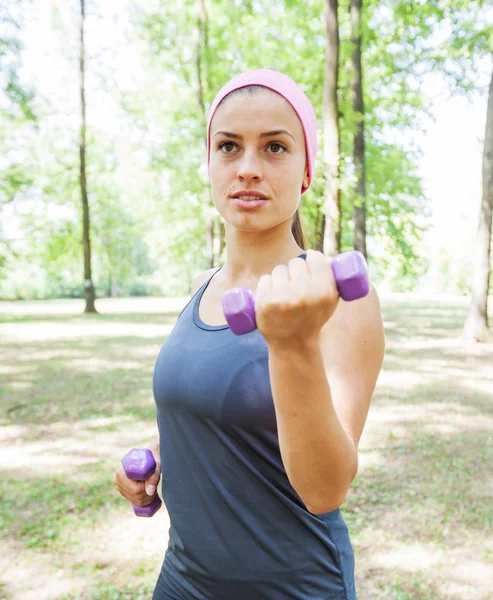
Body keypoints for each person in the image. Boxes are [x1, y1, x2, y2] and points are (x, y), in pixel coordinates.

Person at [113, 68, 385, 600]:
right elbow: (217, 409)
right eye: (229, 146)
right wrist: (161, 452)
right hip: (182, 582)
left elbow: (326, 490)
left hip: (294, 587)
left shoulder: (340, 297)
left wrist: (293, 344)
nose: (249, 168)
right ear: (210, 164)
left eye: (276, 148)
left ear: (305, 171)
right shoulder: (201, 286)